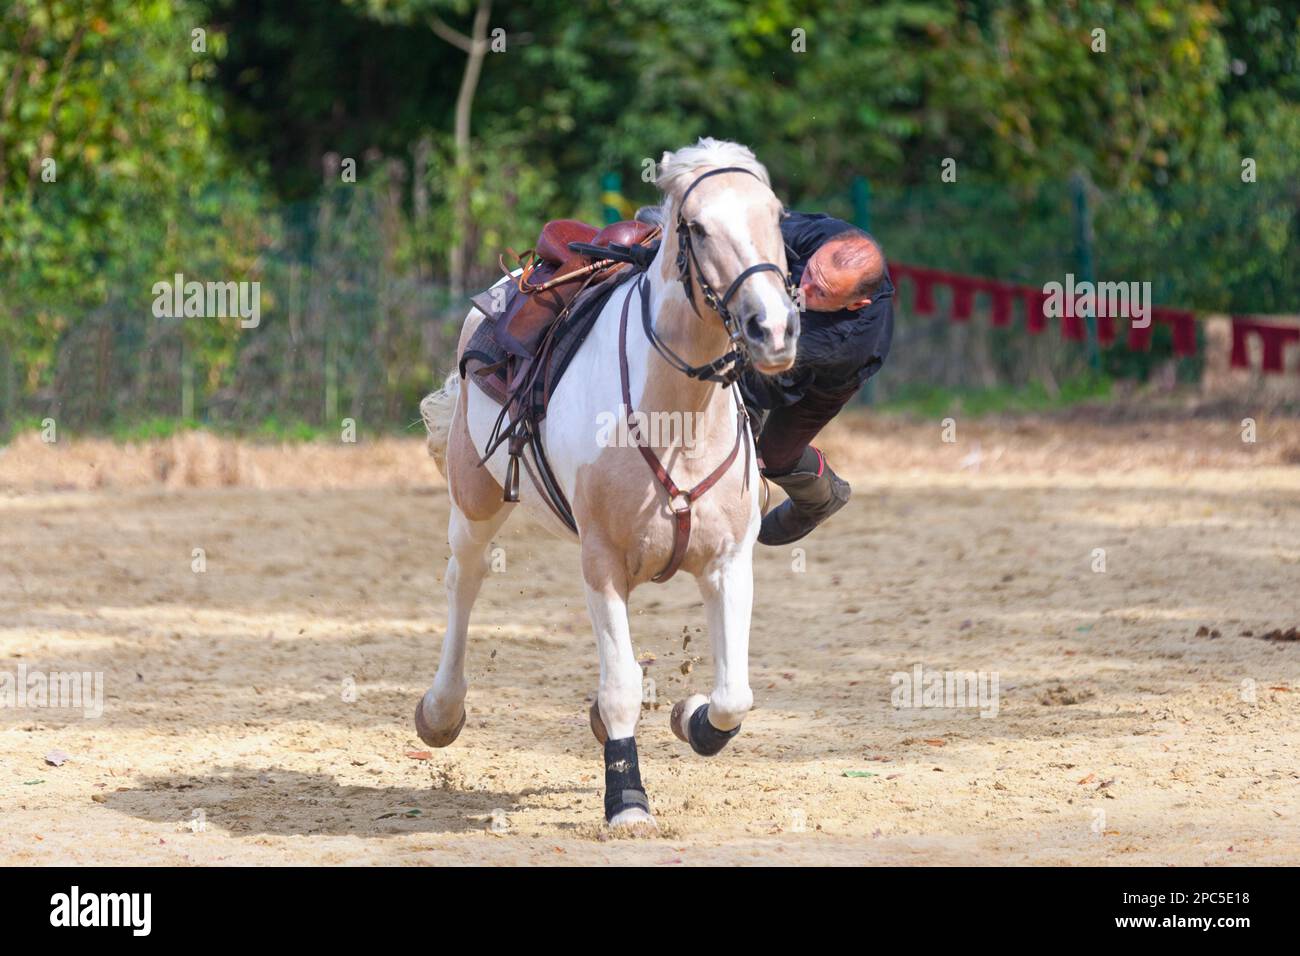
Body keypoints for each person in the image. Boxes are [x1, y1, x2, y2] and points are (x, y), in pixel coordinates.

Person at [634, 205, 893, 545]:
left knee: (773, 456)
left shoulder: (841, 341)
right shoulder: (819, 236)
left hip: (823, 377)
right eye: (811, 272)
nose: (806, 286)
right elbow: (744, 232)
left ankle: (822, 499)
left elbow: (749, 370)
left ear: (854, 305)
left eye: (822, 292)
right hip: (775, 330)